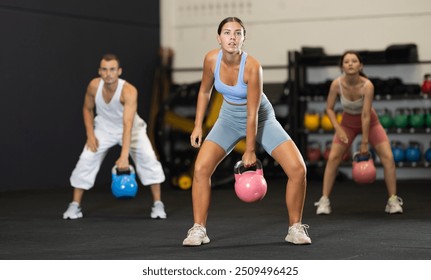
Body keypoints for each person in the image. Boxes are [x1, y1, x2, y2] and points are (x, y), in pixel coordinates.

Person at [182, 17, 311, 246]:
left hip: (261, 119)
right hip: (228, 119)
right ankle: (198, 229)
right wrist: (198, 125)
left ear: (244, 38)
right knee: (201, 168)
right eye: (227, 32)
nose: (232, 37)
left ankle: (295, 228)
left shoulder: (252, 67)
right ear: (218, 37)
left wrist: (250, 150)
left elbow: (252, 114)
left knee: (298, 169)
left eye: (238, 33)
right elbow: (204, 92)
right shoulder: (211, 59)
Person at [63, 54, 167, 220]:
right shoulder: (93, 86)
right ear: (100, 71)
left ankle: (158, 204)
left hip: (132, 129)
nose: (108, 73)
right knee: (86, 159)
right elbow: (87, 109)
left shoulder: (129, 91)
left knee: (149, 159)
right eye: (104, 69)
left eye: (112, 69)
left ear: (119, 71)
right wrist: (90, 134)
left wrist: (124, 155)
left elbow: (127, 124)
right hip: (104, 128)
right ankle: (75, 205)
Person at [314, 50, 404, 215]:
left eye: (354, 61)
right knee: (333, 158)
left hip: (371, 122)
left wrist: (364, 142)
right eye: (346, 61)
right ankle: (324, 200)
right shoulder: (336, 84)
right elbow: (329, 108)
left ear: (360, 65)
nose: (350, 63)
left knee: (388, 157)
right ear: (342, 66)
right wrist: (338, 128)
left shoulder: (367, 85)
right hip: (347, 123)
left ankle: (392, 200)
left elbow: (365, 115)